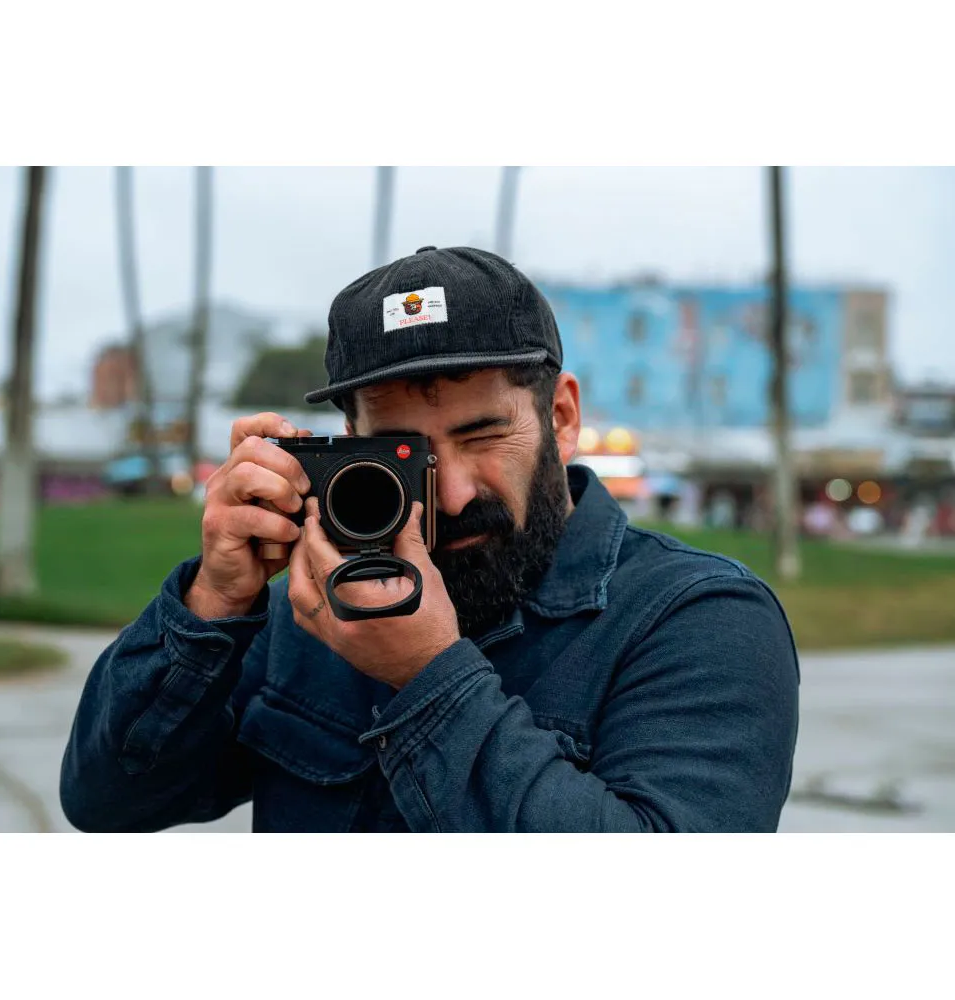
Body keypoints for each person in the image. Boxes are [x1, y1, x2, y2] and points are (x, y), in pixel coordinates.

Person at [60, 246, 799, 833]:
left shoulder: (698, 620)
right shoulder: (314, 612)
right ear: (351, 443)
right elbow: (107, 800)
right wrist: (214, 604)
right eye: (405, 454)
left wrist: (426, 678)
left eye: (483, 435)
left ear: (562, 419)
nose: (451, 494)